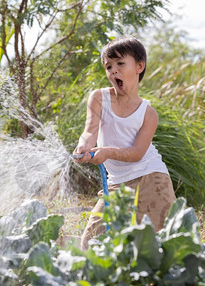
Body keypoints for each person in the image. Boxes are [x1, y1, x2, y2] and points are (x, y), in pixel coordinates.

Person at [74, 35, 176, 250]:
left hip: (152, 178)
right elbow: (89, 131)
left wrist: (107, 152)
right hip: (117, 184)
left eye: (120, 63)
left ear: (140, 66)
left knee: (162, 246)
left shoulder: (149, 114)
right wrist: (84, 146)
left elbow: (138, 152)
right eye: (109, 66)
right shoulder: (99, 98)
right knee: (91, 245)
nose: (114, 70)